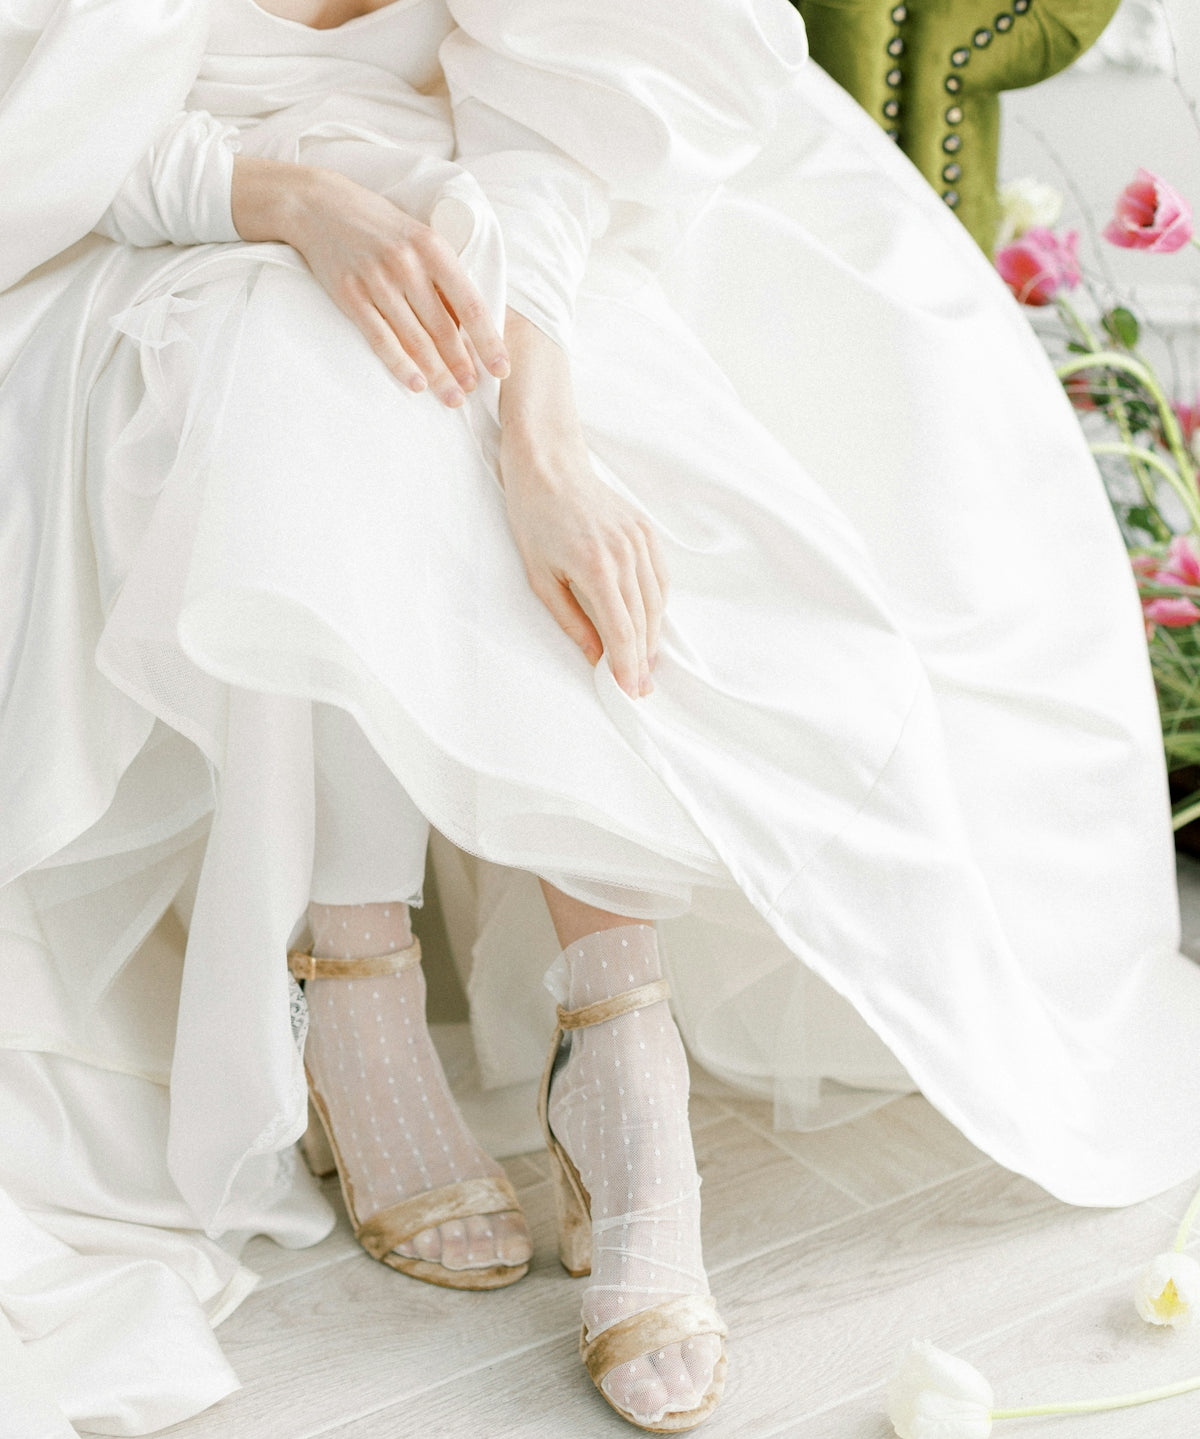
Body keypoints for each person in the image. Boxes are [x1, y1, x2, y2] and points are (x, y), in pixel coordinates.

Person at [4, 0, 1200, 1433]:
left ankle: (622, 1062)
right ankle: (357, 999)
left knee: (541, 452)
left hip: (511, 214)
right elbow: (43, 136)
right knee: (291, 367)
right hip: (149, 232)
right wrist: (278, 197)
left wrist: (541, 443)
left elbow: (566, 131)